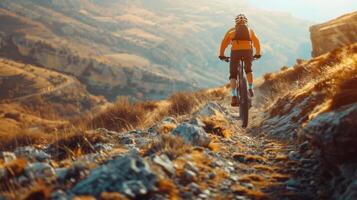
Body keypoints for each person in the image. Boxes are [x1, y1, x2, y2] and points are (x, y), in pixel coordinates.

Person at [219, 14, 261, 107]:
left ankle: (234, 96)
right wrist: (257, 54)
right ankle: (250, 88)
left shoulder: (231, 31)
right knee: (248, 70)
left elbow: (224, 43)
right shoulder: (250, 30)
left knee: (233, 75)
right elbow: (257, 42)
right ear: (246, 22)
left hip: (235, 52)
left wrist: (222, 55)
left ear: (236, 22)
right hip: (248, 52)